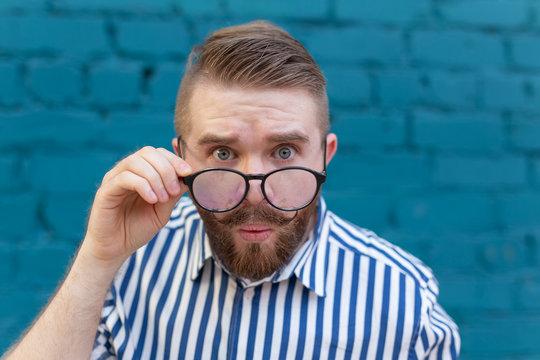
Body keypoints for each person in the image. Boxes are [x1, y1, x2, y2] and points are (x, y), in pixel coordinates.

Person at [4, 21, 460, 359]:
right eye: (223, 153)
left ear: (325, 157)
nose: (254, 194)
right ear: (182, 157)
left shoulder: (402, 301)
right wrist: (98, 258)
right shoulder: (129, 267)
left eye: (284, 152)